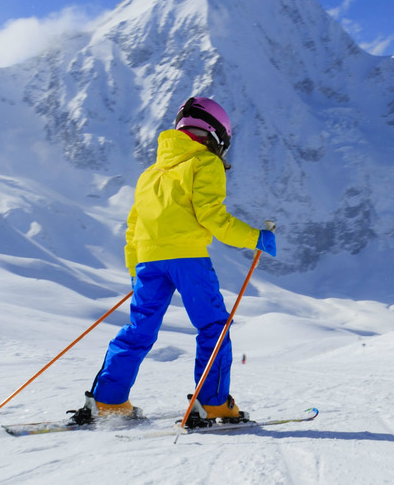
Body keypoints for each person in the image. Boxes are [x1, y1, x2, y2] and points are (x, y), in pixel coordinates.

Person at [70, 96, 277, 425]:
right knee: (213, 327)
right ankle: (213, 404)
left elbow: (133, 229)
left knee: (139, 330)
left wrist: (135, 272)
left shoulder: (149, 175)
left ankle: (108, 400)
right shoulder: (204, 163)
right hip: (188, 259)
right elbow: (212, 217)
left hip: (149, 262)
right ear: (216, 134)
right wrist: (255, 237)